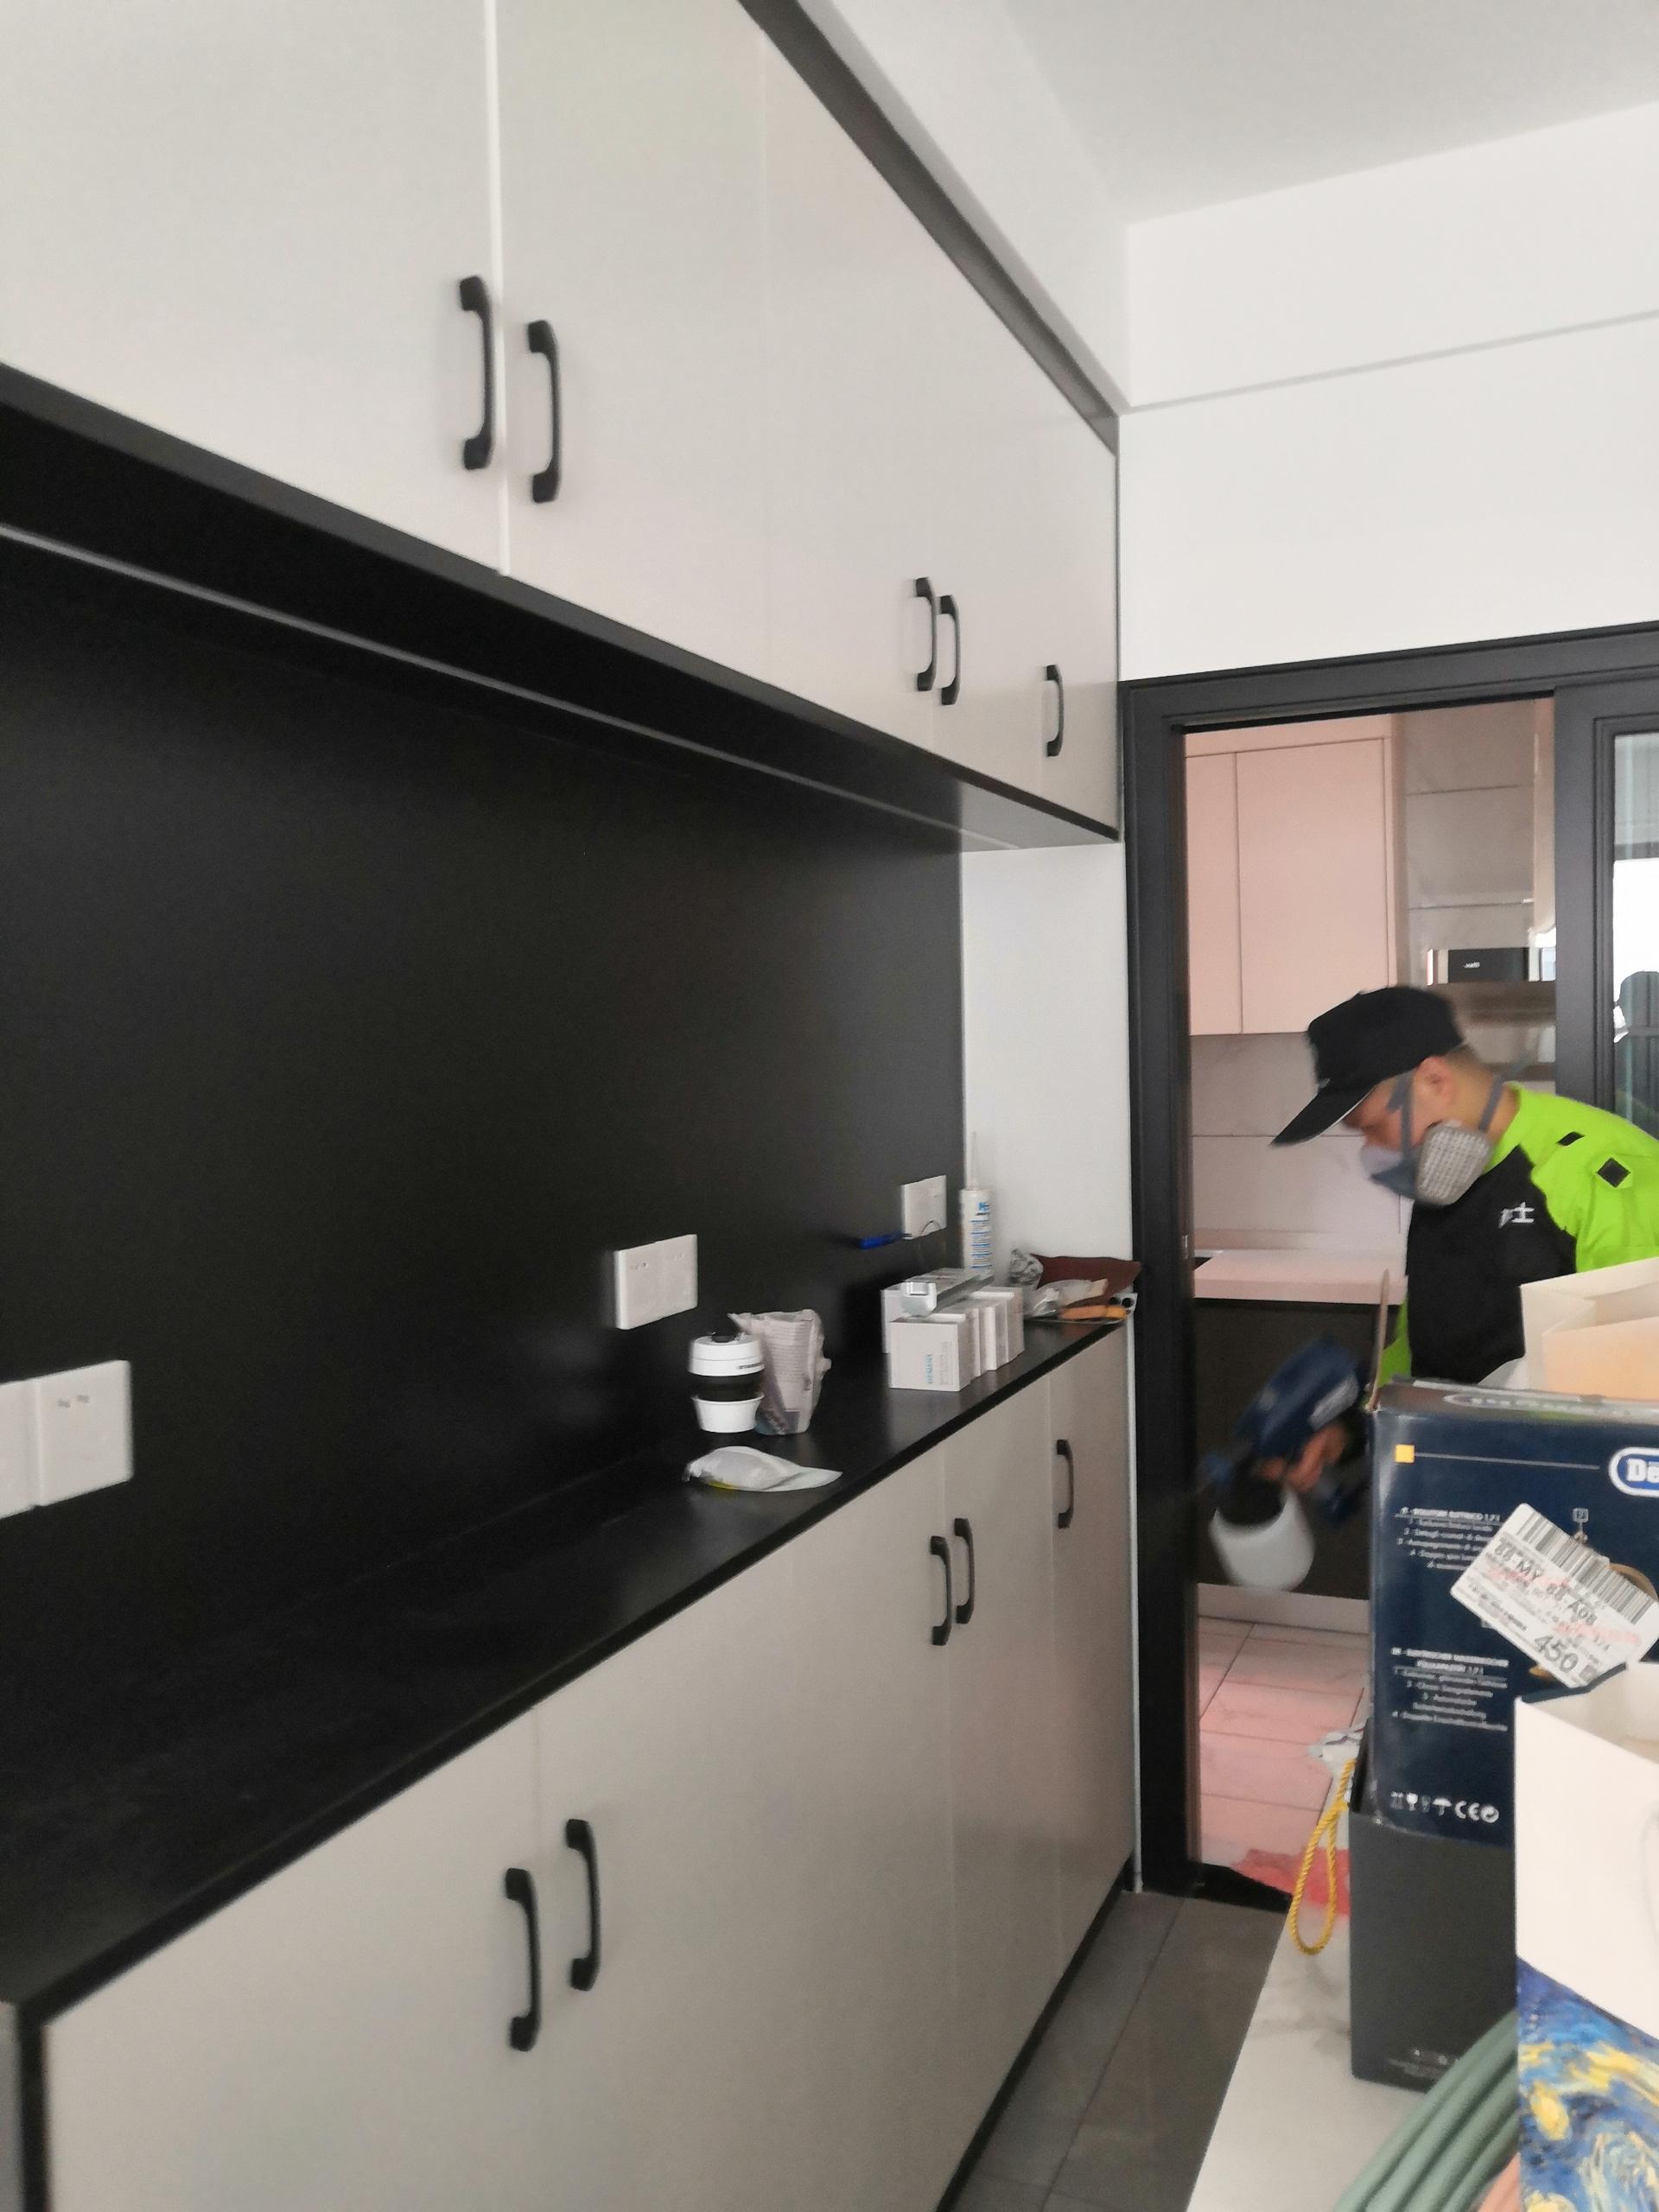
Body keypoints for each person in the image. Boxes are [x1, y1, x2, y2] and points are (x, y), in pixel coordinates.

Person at [1268, 985, 1659, 1490]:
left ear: (1435, 1080)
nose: (1371, 1150)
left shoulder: (1600, 1170)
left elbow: (1637, 1391)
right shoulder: (1444, 1177)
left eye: (1372, 1127)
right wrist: (1356, 1428)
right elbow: (1424, 1340)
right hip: (1454, 1479)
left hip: (1567, 1491)